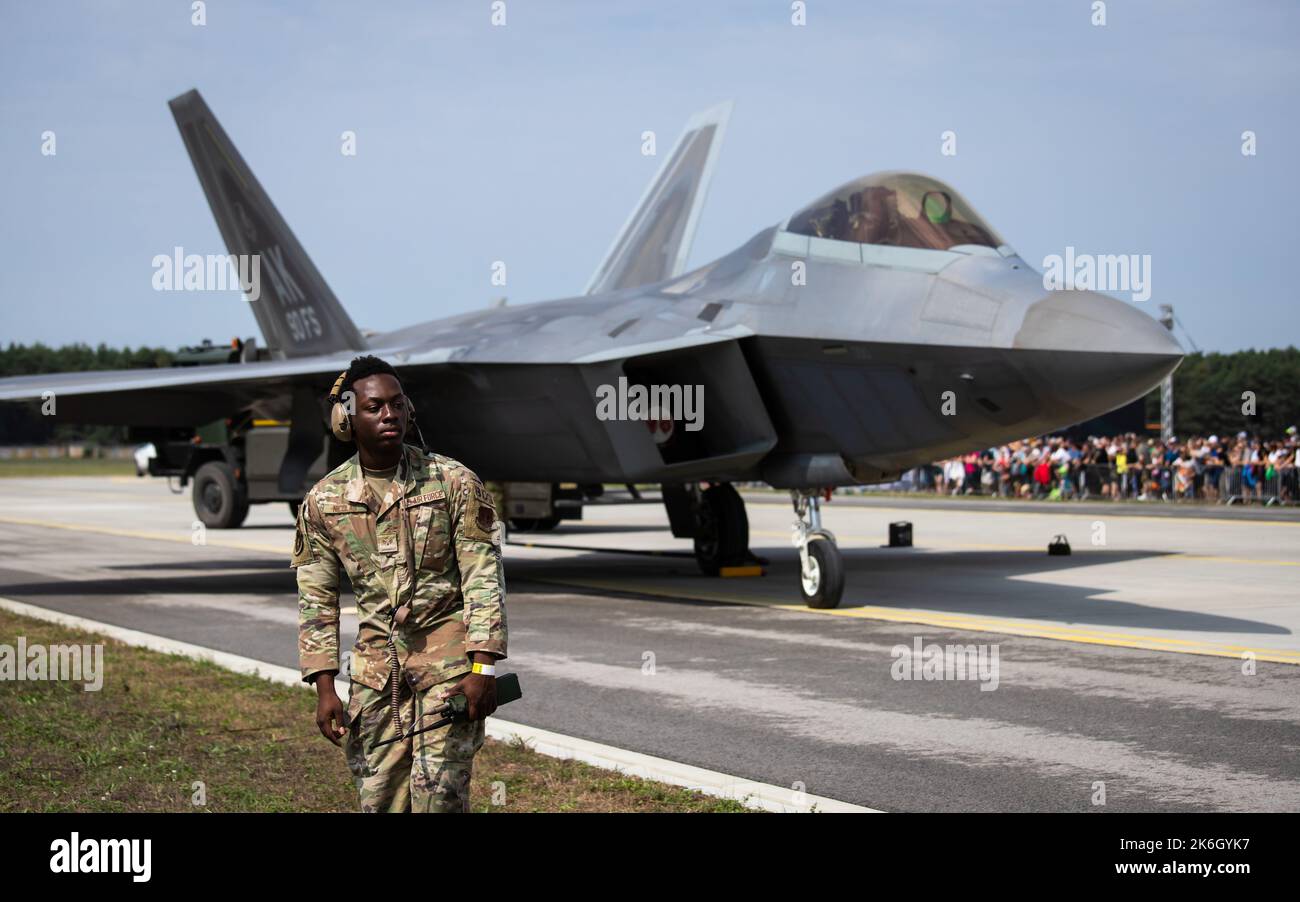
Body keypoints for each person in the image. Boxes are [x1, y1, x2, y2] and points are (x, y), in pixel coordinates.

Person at [293, 355, 507, 812]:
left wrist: (482, 669)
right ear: (347, 419)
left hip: (449, 675)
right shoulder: (325, 501)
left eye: (396, 405)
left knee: (440, 803)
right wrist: (325, 687)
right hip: (375, 680)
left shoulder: (452, 482)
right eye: (374, 407)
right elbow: (317, 600)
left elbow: (483, 579)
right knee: (379, 802)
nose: (388, 415)